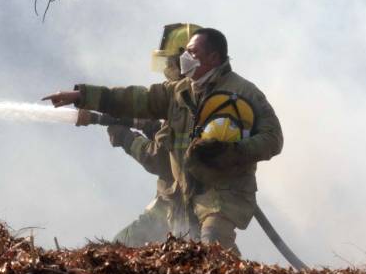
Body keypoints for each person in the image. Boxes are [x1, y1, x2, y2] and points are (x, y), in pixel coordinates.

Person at [48, 27, 283, 252]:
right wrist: (82, 96)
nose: (185, 59)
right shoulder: (178, 92)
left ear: (213, 57)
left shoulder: (244, 93)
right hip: (180, 194)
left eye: (192, 53)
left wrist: (232, 151)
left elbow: (273, 139)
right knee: (131, 246)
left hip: (223, 194)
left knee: (212, 244)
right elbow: (135, 98)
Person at [102, 23, 202, 246]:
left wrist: (125, 138)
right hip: (169, 200)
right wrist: (141, 123)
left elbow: (161, 160)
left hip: (185, 206)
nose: (167, 71)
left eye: (170, 64)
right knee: (122, 244)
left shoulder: (192, 101)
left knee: (123, 246)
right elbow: (169, 135)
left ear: (184, 62)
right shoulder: (184, 98)